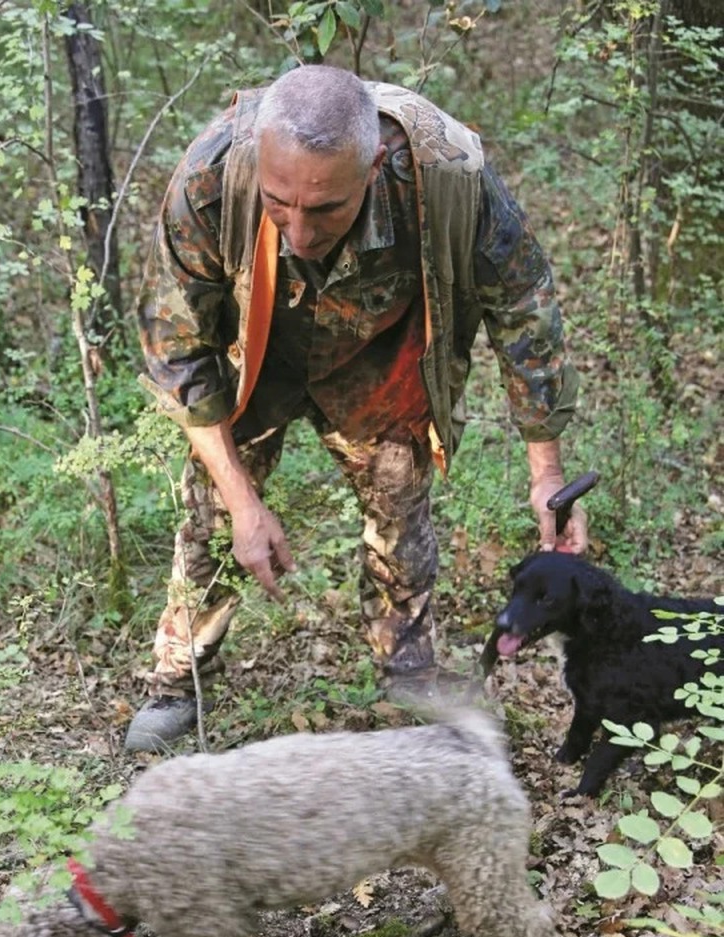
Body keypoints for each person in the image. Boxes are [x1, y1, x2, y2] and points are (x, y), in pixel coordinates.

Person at [124, 64, 587, 752]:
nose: (301, 231)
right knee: (216, 517)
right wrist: (246, 504)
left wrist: (547, 472)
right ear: (259, 161)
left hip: (377, 355)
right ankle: (175, 676)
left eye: (327, 208)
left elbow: (524, 309)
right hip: (252, 356)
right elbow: (178, 349)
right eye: (282, 204)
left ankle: (410, 671)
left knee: (401, 508)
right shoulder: (212, 177)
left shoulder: (447, 177)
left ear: (373, 164)